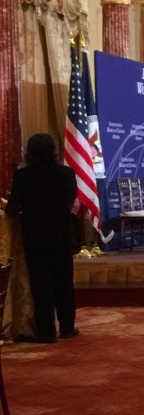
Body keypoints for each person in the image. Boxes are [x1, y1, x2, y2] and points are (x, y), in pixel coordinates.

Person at [3, 133, 78, 343]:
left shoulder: (24, 176)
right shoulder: (67, 173)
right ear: (53, 151)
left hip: (36, 237)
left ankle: (46, 332)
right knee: (64, 283)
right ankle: (67, 327)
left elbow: (13, 208)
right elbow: (70, 201)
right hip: (62, 235)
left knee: (41, 284)